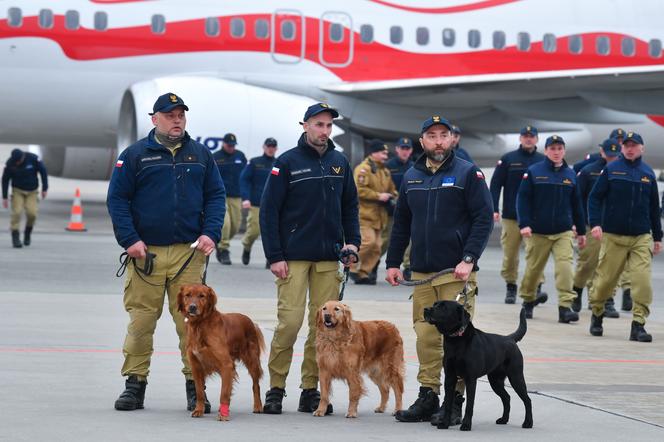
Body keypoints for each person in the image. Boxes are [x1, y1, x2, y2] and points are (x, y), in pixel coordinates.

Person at [107, 92, 226, 412]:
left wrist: (211, 233)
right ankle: (135, 384)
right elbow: (117, 200)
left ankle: (195, 387)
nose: (177, 120)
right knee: (142, 323)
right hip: (146, 256)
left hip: (188, 255)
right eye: (170, 115)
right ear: (154, 119)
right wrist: (129, 239)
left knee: (191, 325)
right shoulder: (134, 156)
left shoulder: (201, 155)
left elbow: (216, 196)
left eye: (181, 115)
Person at [386, 115, 493, 426]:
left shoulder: (468, 173)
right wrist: (393, 262)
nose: (438, 141)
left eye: (443, 135)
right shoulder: (412, 176)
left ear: (452, 139)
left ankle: (455, 399)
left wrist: (469, 258)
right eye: (431, 136)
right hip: (421, 272)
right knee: (425, 335)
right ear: (422, 141)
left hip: (455, 270)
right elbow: (402, 223)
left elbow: (483, 219)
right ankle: (429, 393)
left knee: (458, 338)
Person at [259, 103, 360, 415]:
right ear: (305, 126)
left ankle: (310, 390)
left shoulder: (339, 162)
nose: (324, 131)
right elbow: (269, 211)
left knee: (323, 329)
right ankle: (276, 388)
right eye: (319, 125)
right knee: (290, 323)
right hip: (292, 257)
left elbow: (350, 208)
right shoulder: (287, 163)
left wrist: (352, 244)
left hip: (329, 258)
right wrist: (275, 255)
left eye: (329, 126)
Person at [587, 132, 662, 342]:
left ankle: (638, 325)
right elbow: (594, 198)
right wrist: (595, 224)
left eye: (634, 145)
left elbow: (654, 208)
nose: (630, 148)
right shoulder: (611, 170)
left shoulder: (648, 174)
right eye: (627, 145)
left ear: (641, 148)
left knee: (642, 282)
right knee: (605, 282)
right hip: (613, 235)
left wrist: (657, 237)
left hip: (640, 236)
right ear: (622, 148)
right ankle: (597, 314)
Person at [516, 135, 586, 322]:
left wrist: (581, 231)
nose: (556, 152)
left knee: (565, 269)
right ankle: (528, 300)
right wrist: (524, 224)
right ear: (546, 151)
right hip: (538, 231)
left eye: (559, 149)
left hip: (563, 231)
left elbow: (577, 205)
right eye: (552, 149)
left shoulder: (570, 175)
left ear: (564, 151)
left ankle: (565, 307)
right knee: (533, 271)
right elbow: (523, 200)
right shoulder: (534, 172)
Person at [489, 126, 546, 304]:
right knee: (510, 255)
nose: (529, 139)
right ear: (520, 138)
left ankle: (536, 287)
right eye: (525, 136)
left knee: (536, 254)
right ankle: (511, 287)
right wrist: (494, 209)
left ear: (536, 139)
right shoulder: (508, 159)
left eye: (532, 136)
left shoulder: (543, 161)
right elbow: (496, 184)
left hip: (534, 218)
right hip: (511, 217)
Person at [572, 138, 622, 317]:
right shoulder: (589, 171)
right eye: (609, 156)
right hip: (591, 224)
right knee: (589, 263)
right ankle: (576, 290)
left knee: (611, 266)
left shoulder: (624, 171)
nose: (612, 159)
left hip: (614, 226)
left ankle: (607, 300)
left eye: (615, 156)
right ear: (602, 153)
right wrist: (576, 223)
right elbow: (577, 199)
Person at [351, 139, 398, 285]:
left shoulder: (384, 171)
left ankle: (363, 273)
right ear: (374, 153)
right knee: (368, 243)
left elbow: (392, 189)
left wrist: (394, 196)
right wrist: (378, 196)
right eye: (383, 153)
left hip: (380, 216)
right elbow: (359, 190)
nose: (386, 156)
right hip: (365, 215)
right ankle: (351, 267)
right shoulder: (363, 169)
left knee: (377, 248)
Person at [239, 137, 278, 266]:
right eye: (268, 146)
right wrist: (246, 198)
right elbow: (244, 180)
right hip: (256, 203)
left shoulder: (278, 164)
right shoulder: (255, 163)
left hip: (274, 205)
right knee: (254, 231)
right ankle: (247, 246)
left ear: (276, 149)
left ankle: (271, 258)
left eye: (273, 147)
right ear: (264, 147)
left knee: (274, 233)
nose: (271, 149)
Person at [381, 137, 414, 280]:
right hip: (389, 210)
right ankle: (371, 265)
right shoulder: (388, 166)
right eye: (402, 148)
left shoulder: (414, 167)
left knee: (410, 241)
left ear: (411, 150)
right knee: (385, 240)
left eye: (407, 149)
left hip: (409, 210)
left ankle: (408, 267)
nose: (405, 151)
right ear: (397, 149)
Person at [2, 149, 48, 248]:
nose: (17, 163)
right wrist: (4, 197)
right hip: (17, 190)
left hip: (32, 191)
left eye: (18, 161)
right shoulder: (10, 163)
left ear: (23, 157)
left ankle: (28, 232)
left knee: (32, 214)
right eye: (15, 161)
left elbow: (43, 171)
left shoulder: (33, 159)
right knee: (17, 212)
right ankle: (15, 237)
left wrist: (45, 188)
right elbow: (5, 179)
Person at [214, 132, 247, 265]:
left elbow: (246, 176)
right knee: (225, 224)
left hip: (236, 196)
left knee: (235, 226)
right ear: (223, 143)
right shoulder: (215, 157)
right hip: (220, 195)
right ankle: (224, 249)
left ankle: (220, 243)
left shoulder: (240, 156)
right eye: (229, 145)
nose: (231, 147)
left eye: (233, 145)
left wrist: (246, 195)